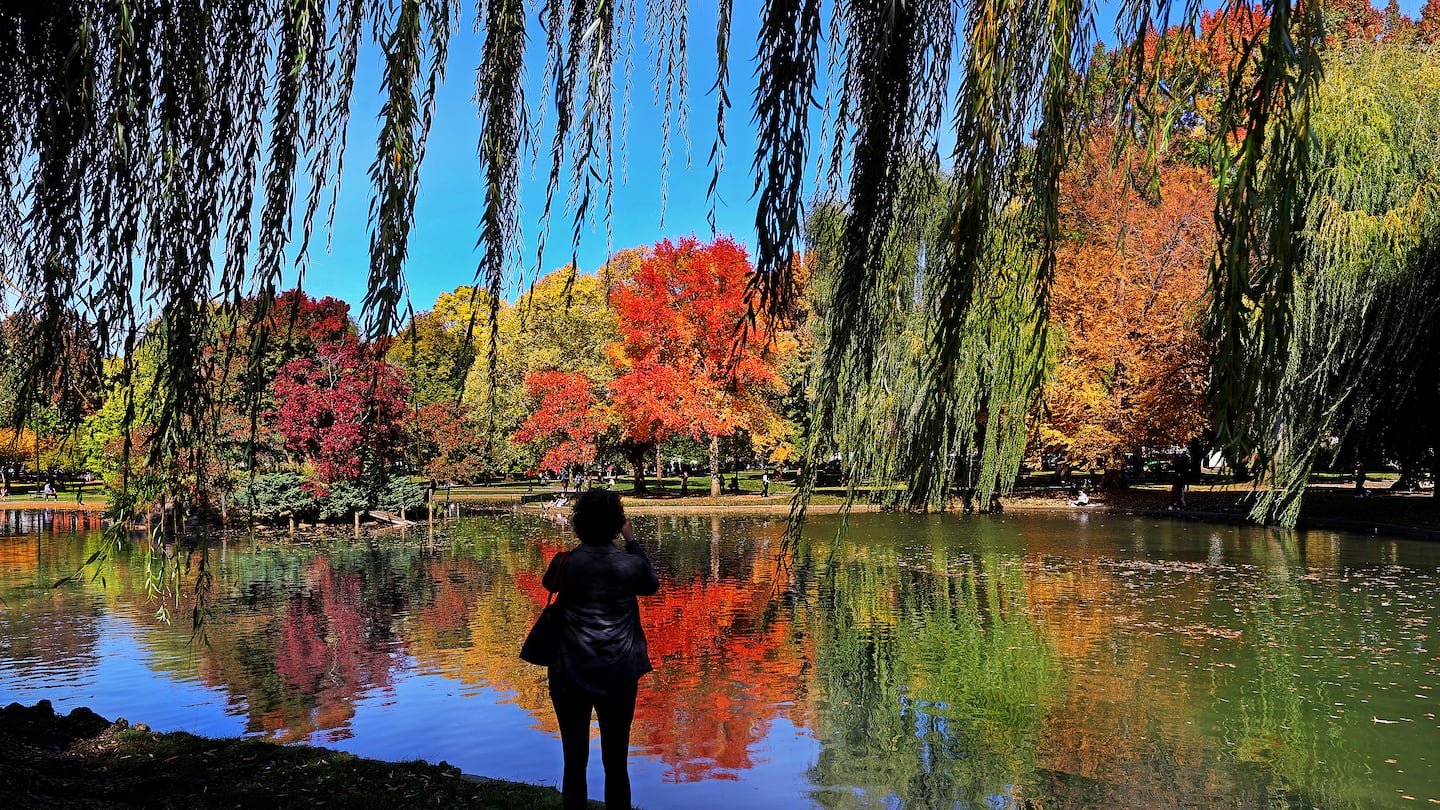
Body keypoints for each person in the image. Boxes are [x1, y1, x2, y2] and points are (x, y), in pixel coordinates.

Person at [541, 490, 659, 810]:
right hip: (619, 673)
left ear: (578, 523)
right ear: (616, 524)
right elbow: (651, 584)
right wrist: (631, 539)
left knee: (574, 762)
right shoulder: (629, 565)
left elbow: (549, 584)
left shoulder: (563, 563)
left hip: (569, 674)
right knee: (616, 764)